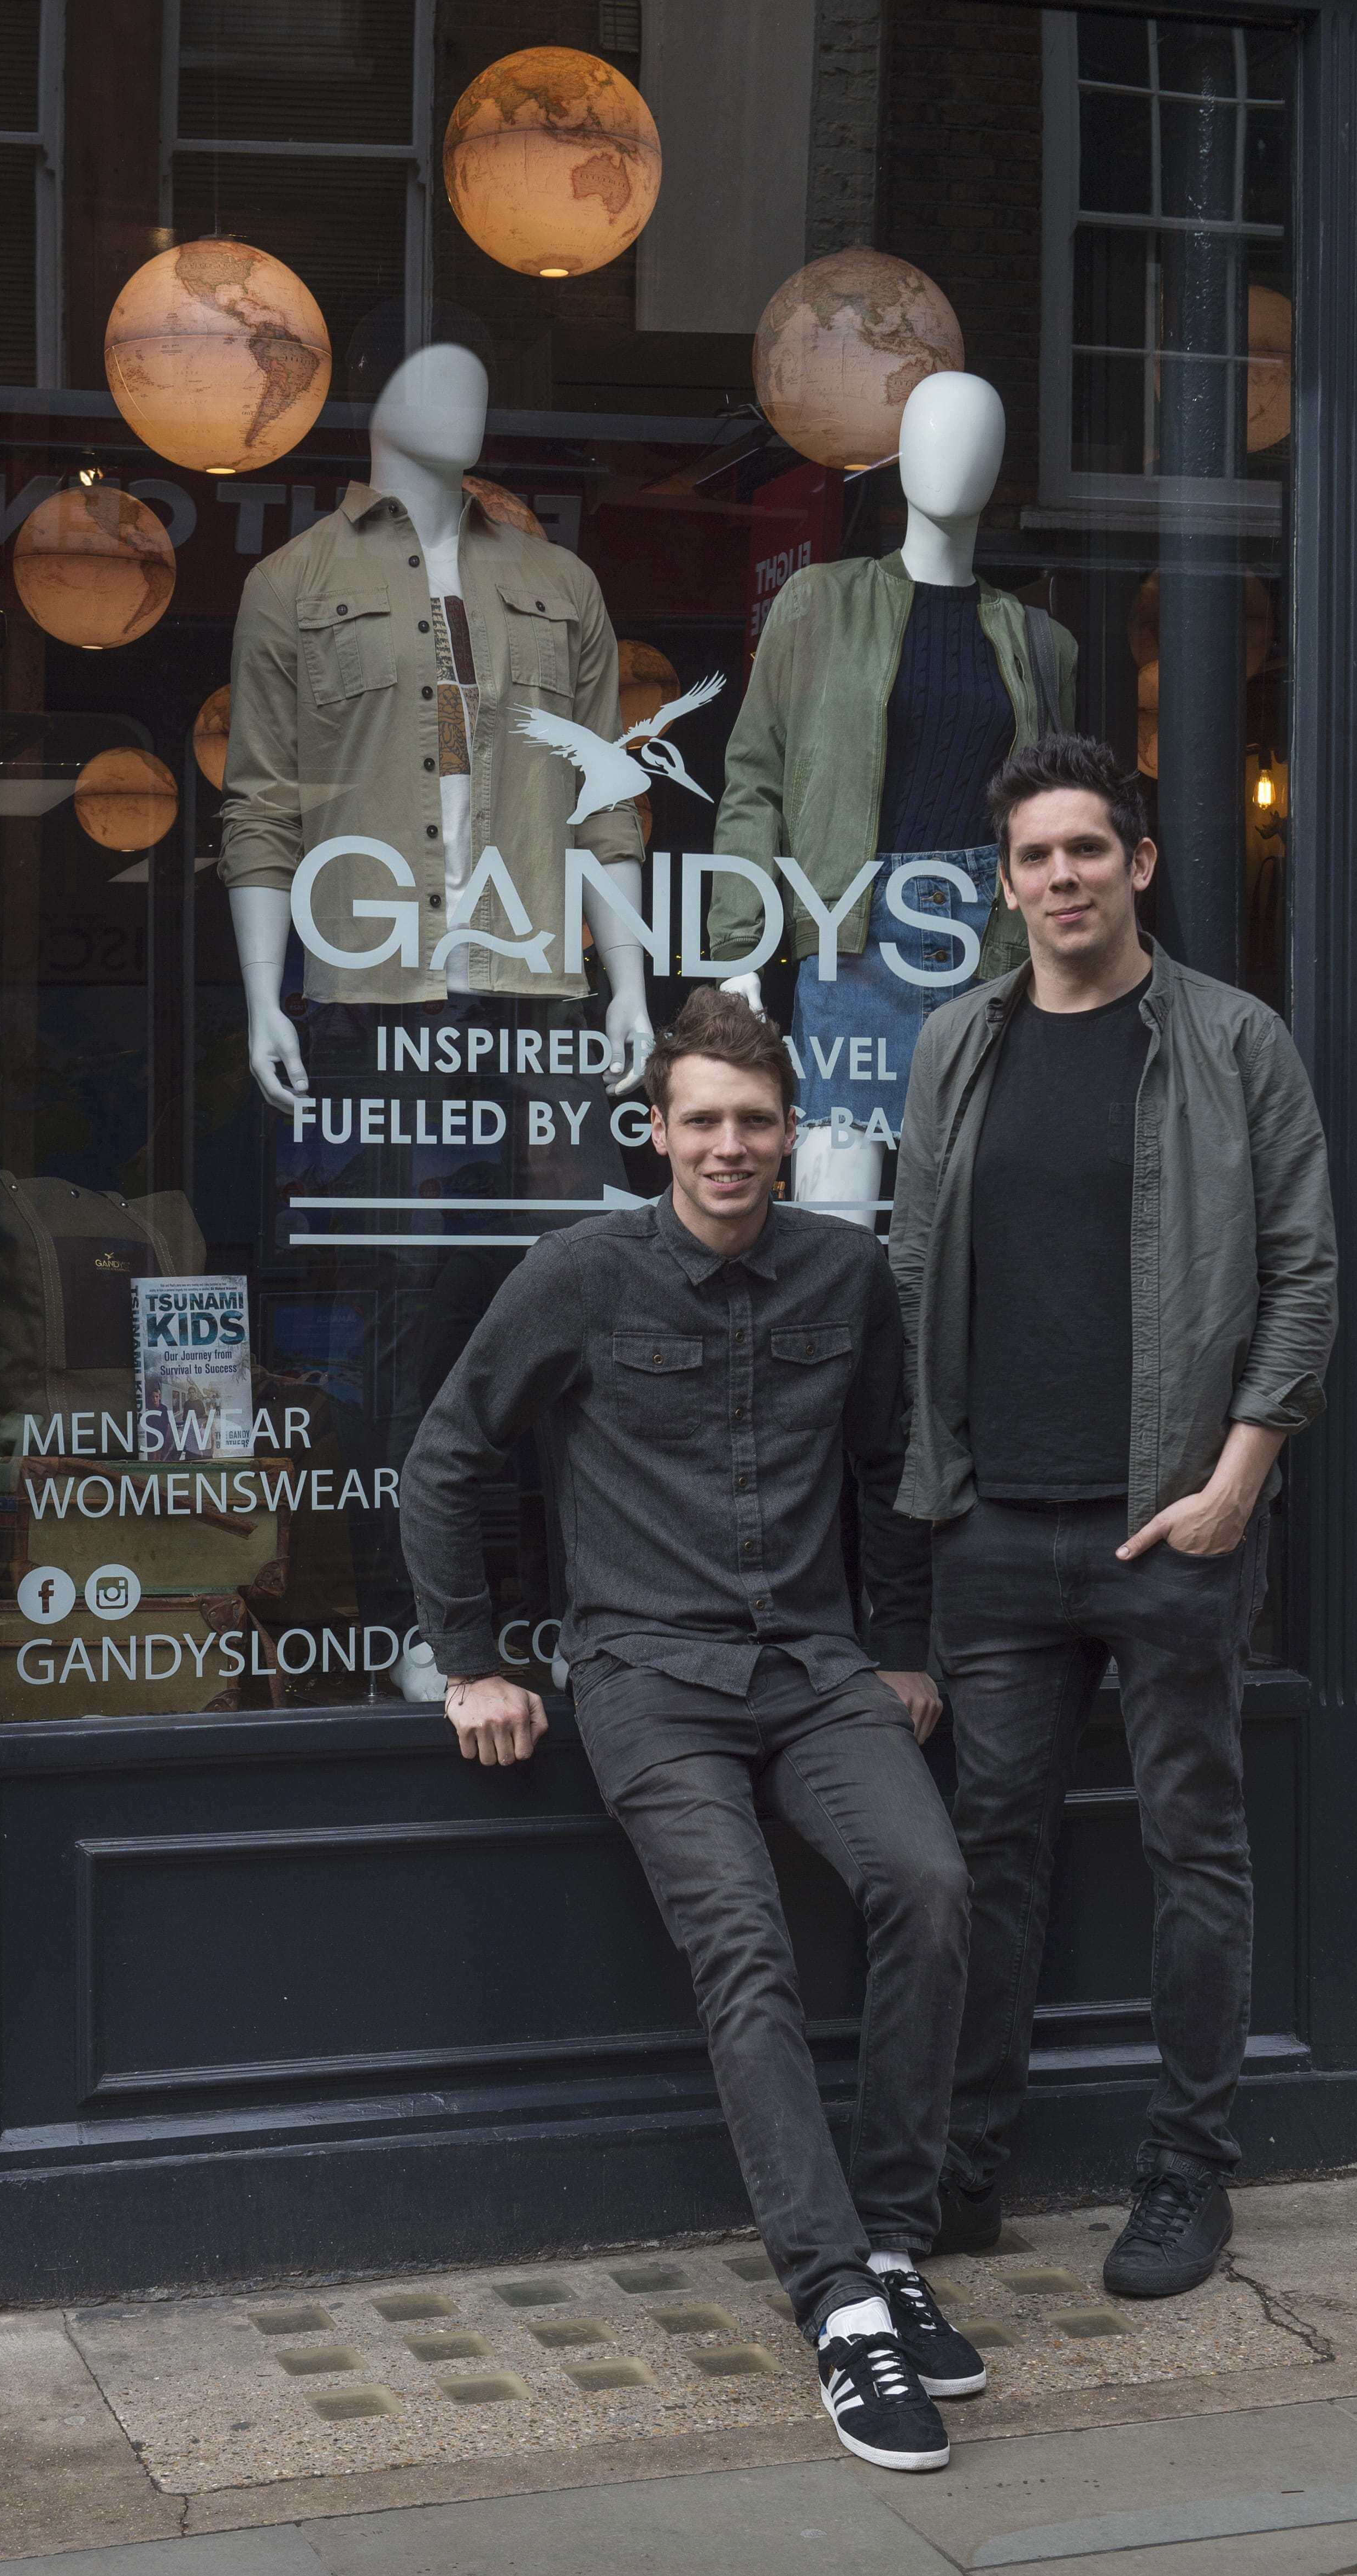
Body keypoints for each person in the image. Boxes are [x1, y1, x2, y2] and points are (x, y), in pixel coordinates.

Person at [401, 987, 983, 2473]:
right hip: (650, 1676)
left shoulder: (847, 1275)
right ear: (654, 1130)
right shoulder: (580, 1274)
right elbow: (445, 1463)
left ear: (791, 1137)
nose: (729, 1146)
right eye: (703, 1120)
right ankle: (838, 2298)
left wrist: (903, 1647)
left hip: (814, 1667)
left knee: (930, 1886)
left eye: (756, 1121)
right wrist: (471, 1660)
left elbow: (888, 1469)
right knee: (746, 1943)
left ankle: (896, 2242)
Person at [890, 733, 1338, 2299]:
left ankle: (1184, 2171)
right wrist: (929, 1498)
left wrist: (1236, 1481)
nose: (1064, 878)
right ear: (1005, 882)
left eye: (1090, 849)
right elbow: (912, 1269)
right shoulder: (956, 1043)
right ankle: (962, 2171)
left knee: (1193, 1849)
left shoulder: (1232, 1041)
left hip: (1173, 1528)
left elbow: (1304, 1273)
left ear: (1138, 863)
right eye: (1035, 857)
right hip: (995, 1529)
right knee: (986, 1858)